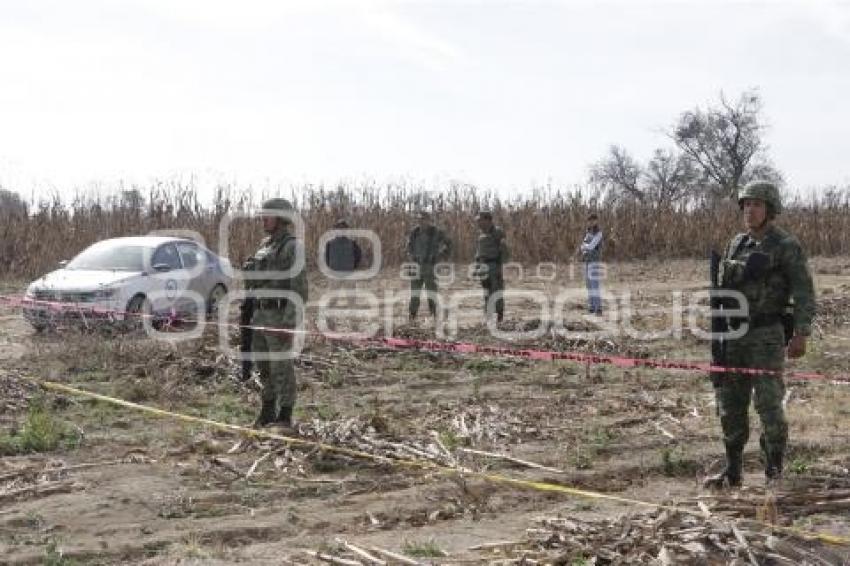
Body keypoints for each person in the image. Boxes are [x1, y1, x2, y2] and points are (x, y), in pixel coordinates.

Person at [704, 180, 815, 488]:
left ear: (770, 209)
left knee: (769, 405)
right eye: (746, 204)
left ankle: (774, 470)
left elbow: (804, 292)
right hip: (732, 334)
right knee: (729, 403)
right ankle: (733, 469)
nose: (749, 210)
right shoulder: (736, 243)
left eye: (757, 204)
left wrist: (802, 333)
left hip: (766, 335)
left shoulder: (785, 245)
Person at [244, 198, 309, 429]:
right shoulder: (265, 246)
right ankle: (268, 409)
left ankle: (285, 414)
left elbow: (299, 289)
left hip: (279, 315)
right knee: (263, 367)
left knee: (281, 367)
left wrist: (289, 324)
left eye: (268, 215)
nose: (263, 219)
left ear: (281, 218)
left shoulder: (292, 247)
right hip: (260, 314)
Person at [406, 211, 451, 321]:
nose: (421, 221)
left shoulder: (436, 232)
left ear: (428, 220)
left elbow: (448, 243)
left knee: (431, 292)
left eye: (423, 219)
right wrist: (410, 256)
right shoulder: (415, 232)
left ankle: (434, 315)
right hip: (416, 266)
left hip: (430, 266)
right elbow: (408, 246)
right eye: (419, 219)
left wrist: (441, 255)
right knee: (415, 293)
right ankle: (412, 316)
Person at [323, 218, 362, 329]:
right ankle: (329, 321)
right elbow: (326, 258)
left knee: (351, 300)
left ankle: (354, 325)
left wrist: (353, 267)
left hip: (349, 274)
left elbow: (358, 256)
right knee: (333, 299)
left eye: (343, 229)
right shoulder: (330, 244)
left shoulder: (352, 243)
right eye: (339, 229)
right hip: (335, 275)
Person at [474, 211, 509, 323]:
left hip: (494, 266)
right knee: (486, 292)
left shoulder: (497, 232)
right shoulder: (481, 235)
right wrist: (477, 267)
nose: (478, 222)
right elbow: (479, 253)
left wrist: (501, 263)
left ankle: (500, 317)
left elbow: (504, 248)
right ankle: (488, 317)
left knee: (496, 290)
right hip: (483, 267)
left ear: (487, 220)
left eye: (480, 220)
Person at [578, 213, 604, 315]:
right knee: (589, 285)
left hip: (594, 261)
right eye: (590, 221)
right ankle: (592, 307)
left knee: (595, 284)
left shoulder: (599, 233)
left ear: (596, 221)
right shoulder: (588, 232)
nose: (591, 222)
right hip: (587, 261)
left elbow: (590, 246)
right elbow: (582, 246)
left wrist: (585, 246)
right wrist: (585, 247)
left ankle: (598, 308)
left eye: (593, 220)